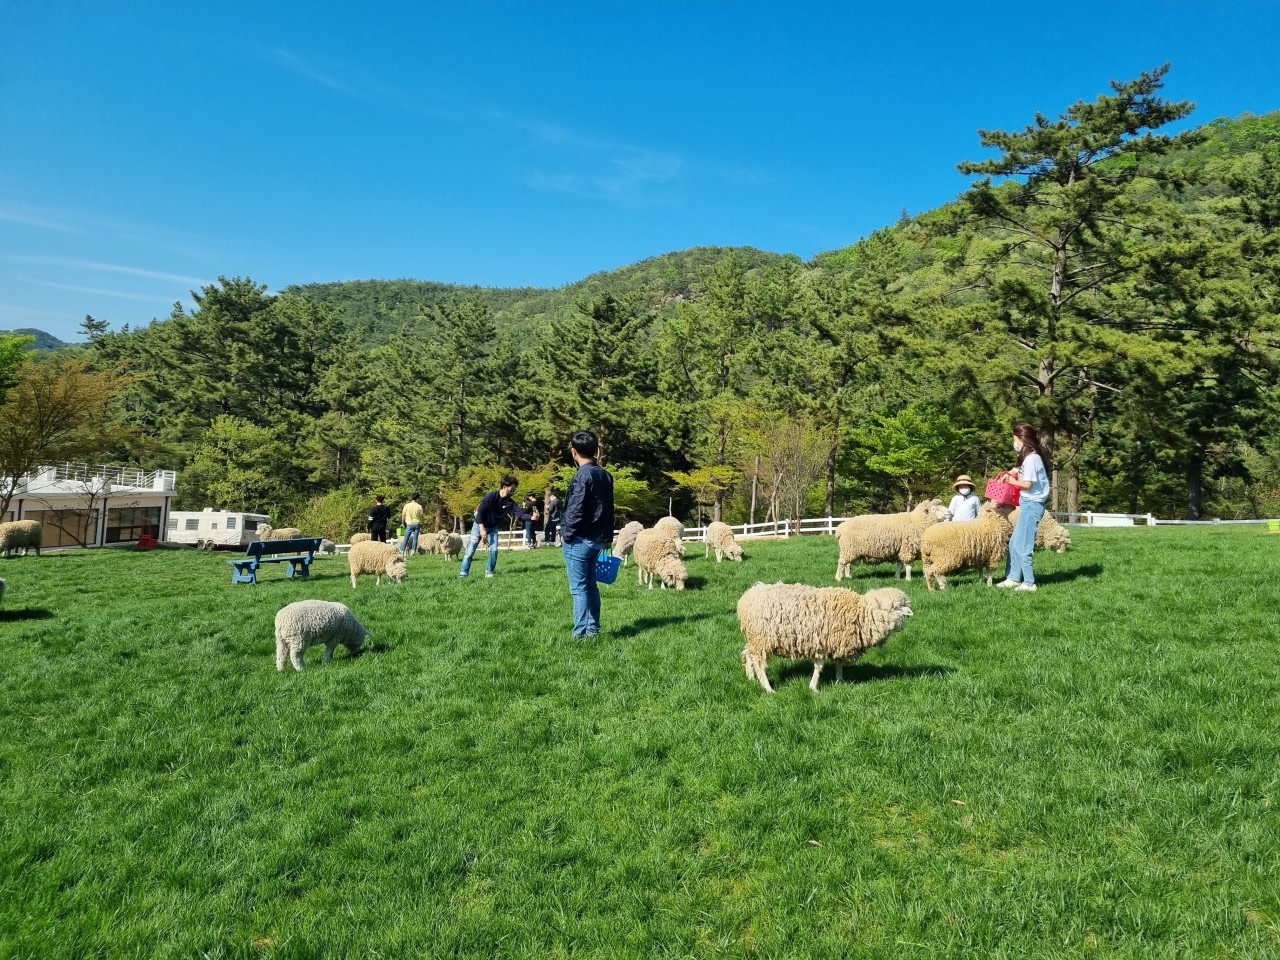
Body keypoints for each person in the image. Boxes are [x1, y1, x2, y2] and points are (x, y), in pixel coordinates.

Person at [560, 431, 615, 638]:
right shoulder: (605, 474)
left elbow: (575, 509)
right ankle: (593, 629)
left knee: (579, 588)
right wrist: (607, 536)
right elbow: (609, 508)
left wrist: (566, 534)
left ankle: (580, 633)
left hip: (579, 539)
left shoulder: (582, 475)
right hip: (597, 540)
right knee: (590, 586)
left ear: (574, 452)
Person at [997, 424, 1051, 592]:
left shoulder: (1032, 459)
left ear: (1021, 439)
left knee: (1023, 546)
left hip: (1032, 505)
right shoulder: (1026, 456)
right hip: (1027, 504)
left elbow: (1027, 484)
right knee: (1014, 543)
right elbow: (1017, 469)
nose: (1014, 443)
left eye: (1014, 439)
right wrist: (1009, 474)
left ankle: (1029, 582)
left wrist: (1012, 481)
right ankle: (1013, 577)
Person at [458, 475, 537, 578]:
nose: (514, 490)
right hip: (479, 525)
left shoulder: (510, 503)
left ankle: (489, 572)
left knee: (494, 550)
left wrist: (531, 518)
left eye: (515, 488)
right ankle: (463, 574)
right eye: (512, 488)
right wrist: (482, 529)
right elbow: (480, 513)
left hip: (493, 528)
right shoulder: (490, 497)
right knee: (470, 550)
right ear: (504, 487)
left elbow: (520, 514)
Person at [400, 492, 425, 557]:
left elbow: (403, 515)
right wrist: (422, 522)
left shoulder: (406, 505)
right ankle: (413, 551)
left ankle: (402, 551)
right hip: (416, 524)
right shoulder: (419, 506)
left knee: (406, 538)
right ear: (417, 498)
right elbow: (421, 516)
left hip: (409, 523)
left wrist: (402, 523)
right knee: (415, 538)